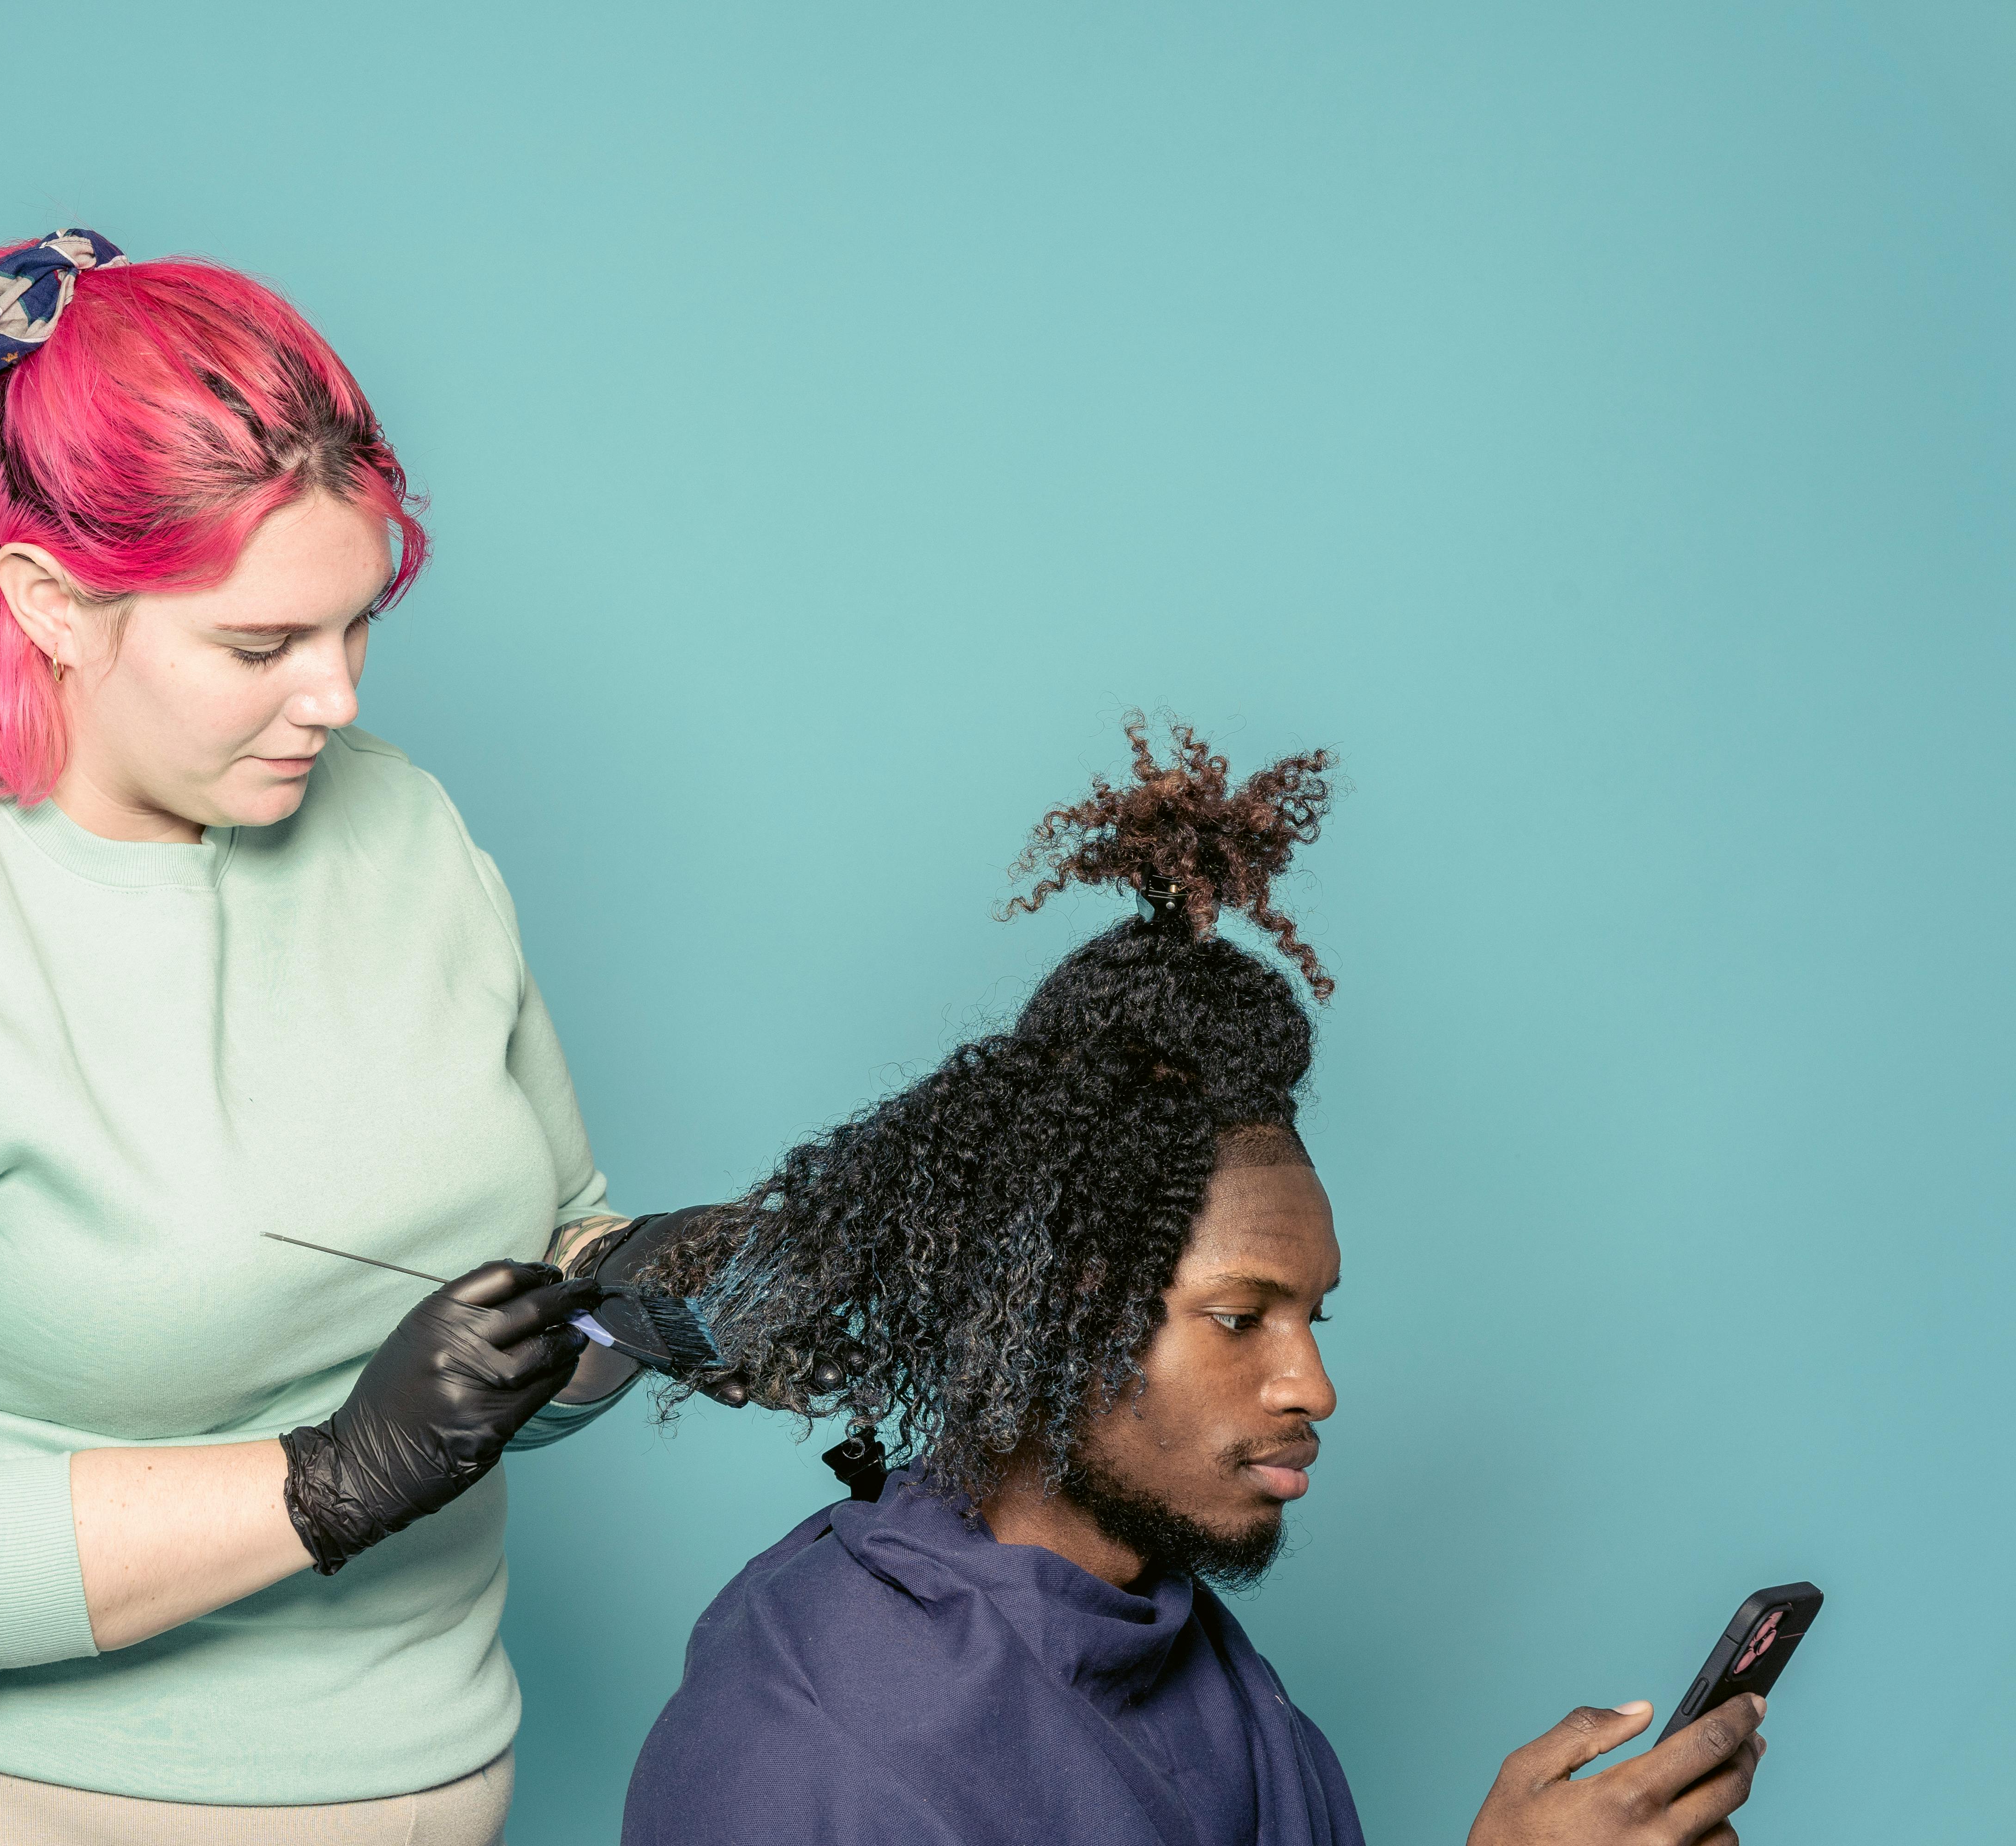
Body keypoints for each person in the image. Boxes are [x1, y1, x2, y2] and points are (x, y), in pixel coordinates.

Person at [0, 230, 687, 1844]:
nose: (335, 700)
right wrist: (323, 1478)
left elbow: (528, 1271)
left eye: (358, 623)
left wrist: (642, 1296)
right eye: (260, 648)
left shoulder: (404, 830)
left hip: (413, 1779)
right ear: (50, 602)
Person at [623, 719, 1769, 1846]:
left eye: (1314, 1316)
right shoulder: (805, 1744)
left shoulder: (1214, 1678)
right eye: (1239, 1317)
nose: (1312, 1385)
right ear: (1063, 1309)